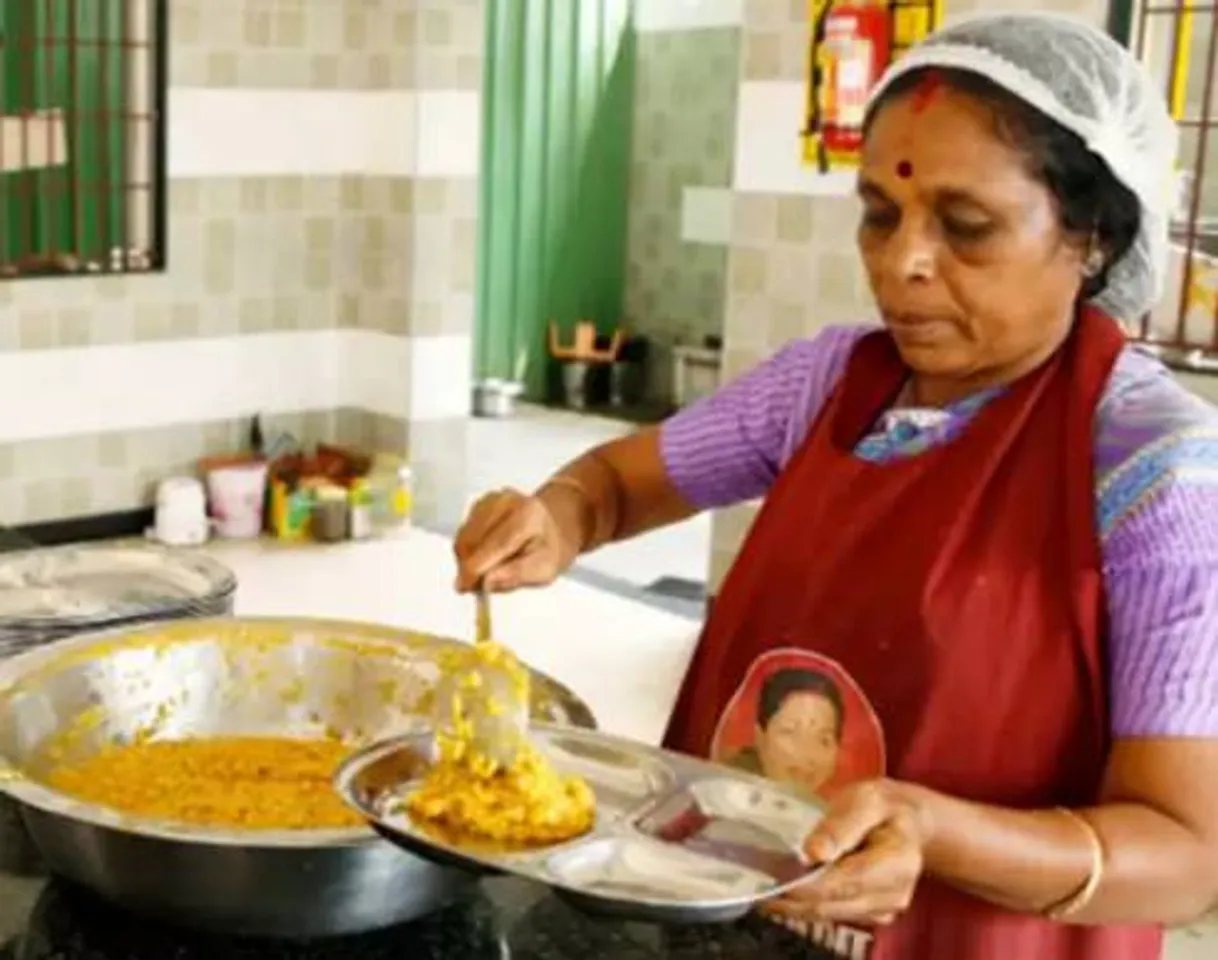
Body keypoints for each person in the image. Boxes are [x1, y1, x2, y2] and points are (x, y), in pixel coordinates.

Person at [452, 12, 1218, 960]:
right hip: (742, 923)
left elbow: (1185, 854)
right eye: (879, 214)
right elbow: (613, 483)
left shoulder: (1154, 467)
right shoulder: (827, 386)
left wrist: (936, 833)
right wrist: (555, 517)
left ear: (1092, 237)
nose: (903, 264)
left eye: (967, 228)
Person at [727, 667, 845, 799]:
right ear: (760, 736)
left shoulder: (822, 811)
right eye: (790, 732)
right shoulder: (726, 791)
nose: (807, 753)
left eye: (824, 740)